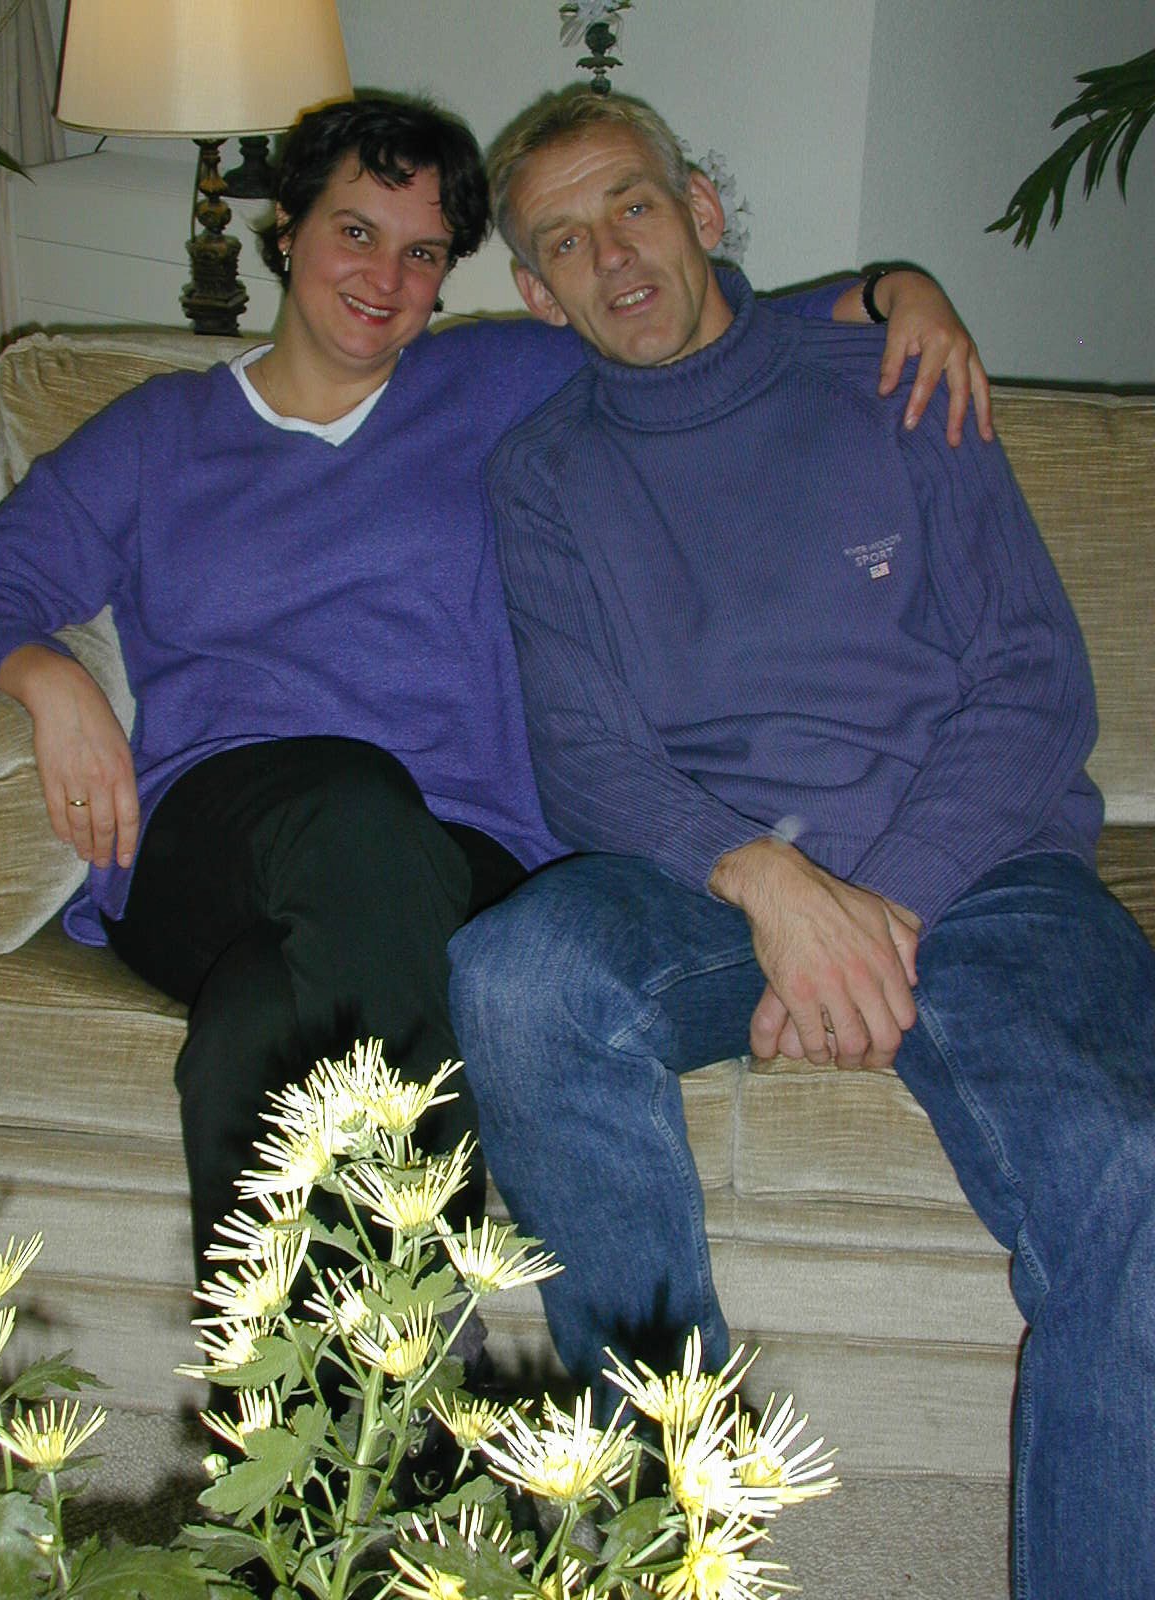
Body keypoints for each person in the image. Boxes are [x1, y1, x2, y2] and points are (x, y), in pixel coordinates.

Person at [0, 91, 982, 1287]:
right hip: (212, 850)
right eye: (356, 232)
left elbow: (698, 326)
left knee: (259, 1025)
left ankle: (342, 1391)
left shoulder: (498, 380)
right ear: (287, 229)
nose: (386, 277)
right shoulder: (160, 434)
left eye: (423, 252)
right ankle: (411, 1348)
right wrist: (49, 680)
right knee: (347, 806)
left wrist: (896, 293)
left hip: (465, 856)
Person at [445, 87, 1155, 1599]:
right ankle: (667, 1541)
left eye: (634, 206)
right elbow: (586, 761)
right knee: (518, 976)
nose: (610, 257)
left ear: (701, 209)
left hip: (988, 873)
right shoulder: (545, 474)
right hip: (716, 890)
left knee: (1136, 1166)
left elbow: (1035, 681)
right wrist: (771, 884)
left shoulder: (894, 375)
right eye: (563, 242)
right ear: (535, 291)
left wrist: (873, 906)